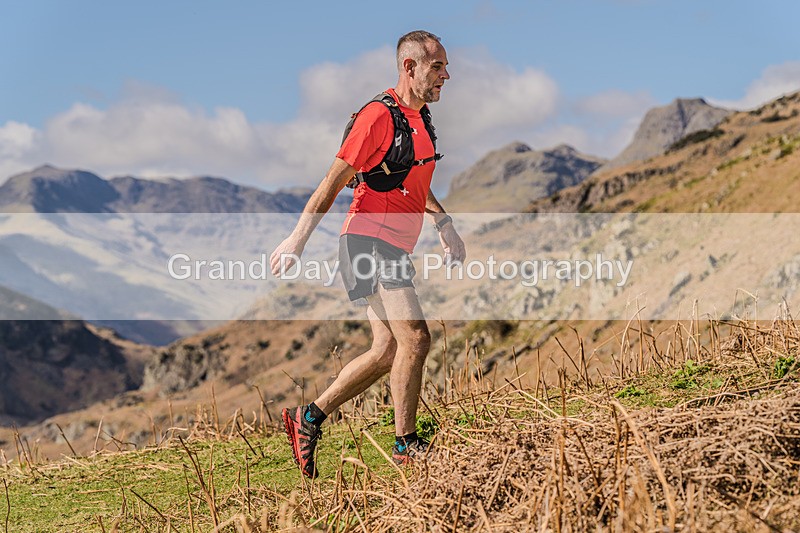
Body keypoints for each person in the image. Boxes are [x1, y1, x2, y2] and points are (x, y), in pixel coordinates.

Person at [270, 30, 466, 479]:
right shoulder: (377, 117)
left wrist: (444, 222)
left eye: (446, 67)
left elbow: (415, 179)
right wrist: (297, 239)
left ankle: (308, 418)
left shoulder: (421, 119)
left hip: (391, 243)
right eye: (438, 67)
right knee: (415, 339)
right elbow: (332, 181)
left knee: (385, 350)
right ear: (409, 67)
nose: (447, 76)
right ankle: (406, 446)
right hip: (367, 241)